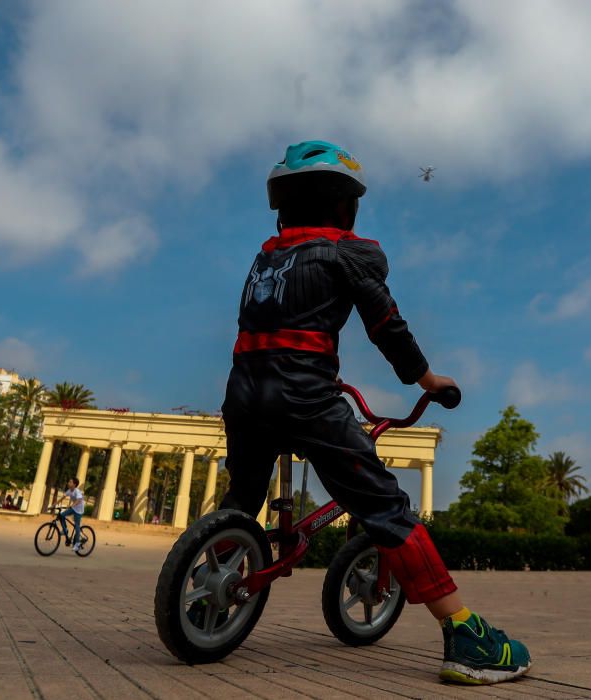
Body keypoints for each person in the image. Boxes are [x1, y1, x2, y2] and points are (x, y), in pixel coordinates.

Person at [218, 140, 530, 684]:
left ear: (283, 206)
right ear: (345, 205)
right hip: (306, 399)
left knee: (241, 501)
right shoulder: (350, 253)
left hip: (244, 394)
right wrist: (427, 379)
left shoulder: (265, 257)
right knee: (387, 508)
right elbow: (386, 325)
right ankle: (465, 636)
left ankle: (211, 589)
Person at [58, 478, 86, 553]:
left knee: (77, 525)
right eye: (69, 481)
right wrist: (54, 504)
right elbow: (62, 497)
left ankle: (77, 543)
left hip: (79, 510)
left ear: (74, 484)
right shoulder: (69, 491)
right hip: (73, 507)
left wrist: (71, 505)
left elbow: (79, 500)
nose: (68, 483)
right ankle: (65, 530)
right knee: (61, 515)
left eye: (70, 482)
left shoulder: (77, 491)